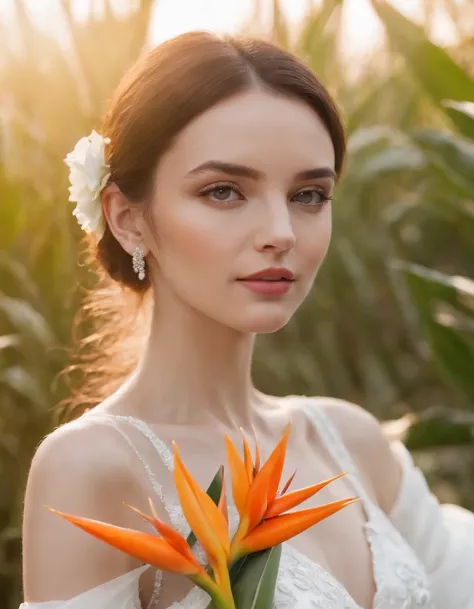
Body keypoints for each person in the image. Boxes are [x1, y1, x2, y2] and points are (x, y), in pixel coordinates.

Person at [20, 31, 474, 609]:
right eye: (224, 191)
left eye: (309, 194)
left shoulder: (355, 444)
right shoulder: (94, 471)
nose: (281, 232)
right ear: (127, 218)